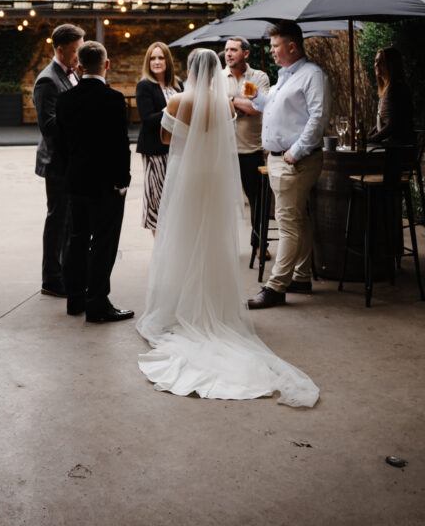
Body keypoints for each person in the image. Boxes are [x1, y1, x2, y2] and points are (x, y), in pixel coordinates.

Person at [136, 48, 319, 405]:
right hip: (214, 180)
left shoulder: (176, 102)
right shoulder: (224, 105)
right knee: (212, 242)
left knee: (183, 240)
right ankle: (215, 309)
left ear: (190, 69)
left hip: (187, 179)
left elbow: (166, 140)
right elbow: (223, 142)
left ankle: (181, 309)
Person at [247, 21, 331, 308]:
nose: (271, 52)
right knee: (298, 219)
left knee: (287, 223)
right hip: (281, 159)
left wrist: (296, 151)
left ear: (292, 47)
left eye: (275, 47)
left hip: (295, 160)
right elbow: (274, 107)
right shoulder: (285, 75)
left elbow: (318, 118)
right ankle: (302, 275)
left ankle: (276, 286)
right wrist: (258, 99)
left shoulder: (312, 75)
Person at [56, 41, 133, 324]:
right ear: (107, 65)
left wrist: (68, 177)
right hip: (106, 186)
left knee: (76, 240)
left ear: (78, 66)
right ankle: (97, 304)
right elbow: (119, 145)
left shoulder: (65, 100)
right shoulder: (113, 99)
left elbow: (60, 146)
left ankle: (75, 300)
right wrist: (122, 181)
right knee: (103, 243)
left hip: (76, 183)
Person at [33, 23, 85, 298]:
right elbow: (49, 126)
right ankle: (51, 279)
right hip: (57, 162)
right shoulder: (47, 80)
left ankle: (65, 272)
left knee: (69, 221)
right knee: (57, 220)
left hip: (72, 161)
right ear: (61, 49)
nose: (79, 56)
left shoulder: (72, 75)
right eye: (76, 50)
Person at [222, 36, 270, 253]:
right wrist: (242, 105)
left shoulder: (258, 77)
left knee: (256, 199)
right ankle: (225, 246)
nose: (228, 54)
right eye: (226, 50)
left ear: (246, 54)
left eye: (233, 50)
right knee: (222, 201)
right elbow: (214, 107)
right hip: (223, 151)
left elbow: (258, 108)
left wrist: (231, 102)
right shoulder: (218, 77)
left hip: (251, 148)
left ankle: (259, 244)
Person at [135, 42, 183, 234]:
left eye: (160, 57)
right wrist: (170, 109)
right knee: (158, 199)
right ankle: (160, 253)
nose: (156, 61)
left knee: (174, 198)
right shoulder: (145, 85)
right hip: (155, 151)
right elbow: (147, 120)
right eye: (153, 58)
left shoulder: (177, 85)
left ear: (167, 61)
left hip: (176, 150)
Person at [368, 46, 415, 146]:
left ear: (392, 64)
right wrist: (368, 137)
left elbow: (392, 125)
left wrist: (370, 140)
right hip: (390, 147)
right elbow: (383, 122)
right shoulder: (387, 89)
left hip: (395, 151)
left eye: (381, 62)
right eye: (376, 61)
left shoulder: (395, 89)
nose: (376, 64)